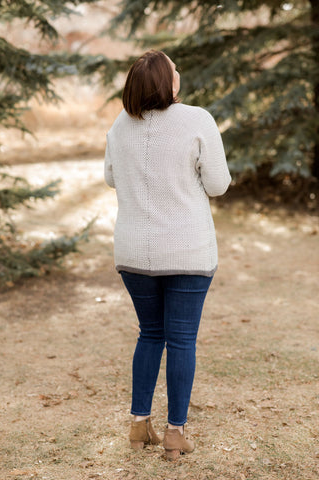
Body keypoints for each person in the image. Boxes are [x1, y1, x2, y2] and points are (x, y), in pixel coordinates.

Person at [104, 49, 231, 461]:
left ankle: (139, 424)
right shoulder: (198, 120)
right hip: (187, 250)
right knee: (181, 340)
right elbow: (218, 184)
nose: (179, 73)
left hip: (134, 250)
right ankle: (176, 432)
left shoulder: (119, 126)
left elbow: (109, 177)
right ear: (167, 81)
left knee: (150, 333)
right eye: (174, 69)